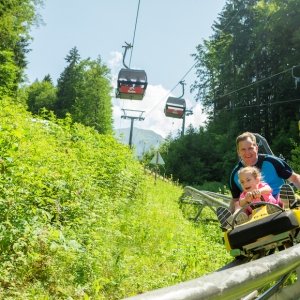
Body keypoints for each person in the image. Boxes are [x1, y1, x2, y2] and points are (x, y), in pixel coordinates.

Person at [229, 131, 300, 213]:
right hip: (255, 209)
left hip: (279, 200)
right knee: (240, 207)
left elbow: (295, 178)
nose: (247, 152)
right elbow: (235, 199)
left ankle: (286, 203)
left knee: (283, 196)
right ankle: (233, 220)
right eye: (243, 149)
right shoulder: (235, 175)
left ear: (256, 147)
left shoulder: (272, 161)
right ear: (238, 152)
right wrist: (232, 213)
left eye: (250, 148)